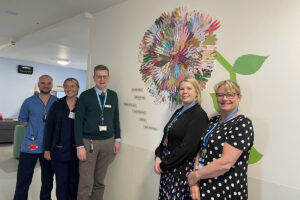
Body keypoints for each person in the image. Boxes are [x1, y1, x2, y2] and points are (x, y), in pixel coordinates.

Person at [188, 80, 254, 200]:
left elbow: (225, 163)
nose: (224, 99)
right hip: (203, 185)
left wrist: (195, 176)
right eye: (220, 95)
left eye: (229, 95)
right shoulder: (213, 121)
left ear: (239, 97)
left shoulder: (242, 124)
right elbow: (201, 150)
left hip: (226, 190)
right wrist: (195, 183)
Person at [154, 77, 209, 199]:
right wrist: (158, 155)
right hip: (169, 166)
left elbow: (187, 148)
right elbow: (166, 135)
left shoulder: (198, 115)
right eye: (182, 89)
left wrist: (164, 164)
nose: (184, 92)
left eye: (189, 88)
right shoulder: (180, 111)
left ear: (196, 92)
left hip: (179, 170)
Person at [75, 65, 121, 200]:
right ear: (94, 77)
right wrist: (79, 146)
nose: (102, 79)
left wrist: (117, 139)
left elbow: (115, 119)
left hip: (108, 142)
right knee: (85, 181)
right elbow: (77, 122)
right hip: (89, 142)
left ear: (108, 78)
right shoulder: (85, 95)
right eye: (99, 76)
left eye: (104, 76)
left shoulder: (113, 96)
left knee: (100, 181)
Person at [14, 75, 57, 200]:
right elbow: (23, 121)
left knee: (48, 179)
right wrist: (36, 129)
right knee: (23, 179)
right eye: (43, 83)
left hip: (49, 147)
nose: (46, 85)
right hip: (30, 145)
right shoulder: (28, 102)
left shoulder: (57, 102)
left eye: (49, 83)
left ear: (51, 85)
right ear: (38, 84)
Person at [43, 78, 80, 200]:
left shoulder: (82, 105)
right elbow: (49, 128)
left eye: (72, 86)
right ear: (64, 89)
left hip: (77, 152)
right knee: (62, 183)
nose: (69, 89)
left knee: (74, 182)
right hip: (59, 151)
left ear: (77, 88)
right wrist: (47, 149)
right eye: (67, 86)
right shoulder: (57, 105)